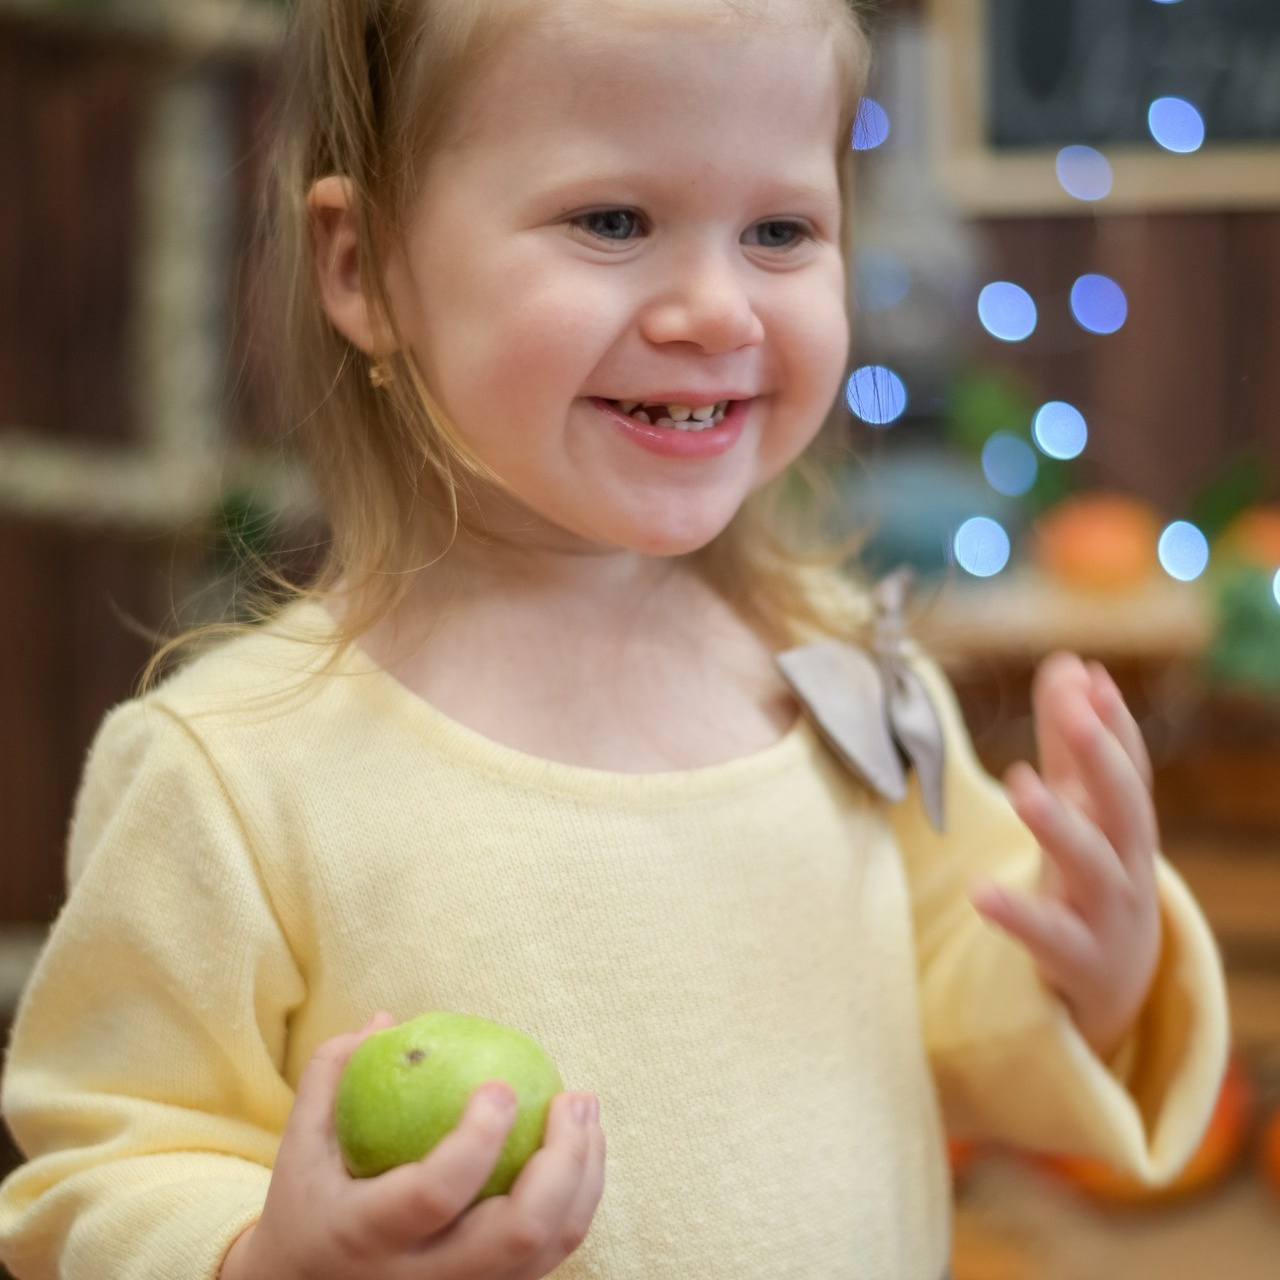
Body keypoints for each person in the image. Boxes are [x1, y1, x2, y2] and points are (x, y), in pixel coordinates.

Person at [0, 0, 1229, 1277]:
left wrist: (1094, 964)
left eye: (778, 230)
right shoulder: (234, 771)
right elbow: (103, 1161)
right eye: (611, 221)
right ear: (364, 263)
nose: (714, 308)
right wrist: (260, 1256)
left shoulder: (840, 677)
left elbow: (942, 1012)